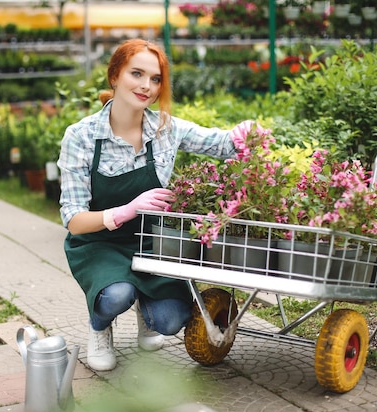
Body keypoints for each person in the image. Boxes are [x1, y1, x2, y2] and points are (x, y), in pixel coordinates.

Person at [58, 38, 247, 371]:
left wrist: (245, 132)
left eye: (155, 78)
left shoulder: (165, 129)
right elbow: (73, 219)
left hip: (151, 244)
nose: (147, 86)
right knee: (115, 295)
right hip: (98, 243)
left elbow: (223, 144)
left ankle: (148, 314)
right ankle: (99, 327)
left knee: (171, 320)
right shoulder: (82, 136)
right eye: (137, 74)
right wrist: (127, 210)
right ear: (115, 76)